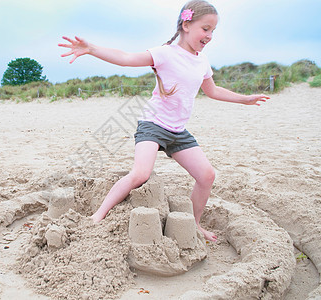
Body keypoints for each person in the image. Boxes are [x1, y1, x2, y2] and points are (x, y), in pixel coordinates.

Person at [58, 0, 269, 242]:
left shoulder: (202, 61)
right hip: (153, 125)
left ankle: (194, 224)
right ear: (186, 24)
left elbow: (213, 91)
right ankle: (98, 215)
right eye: (206, 28)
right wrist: (92, 48)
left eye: (213, 31)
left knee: (207, 176)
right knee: (140, 174)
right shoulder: (165, 54)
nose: (210, 35)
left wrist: (244, 99)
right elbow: (126, 58)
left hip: (178, 132)